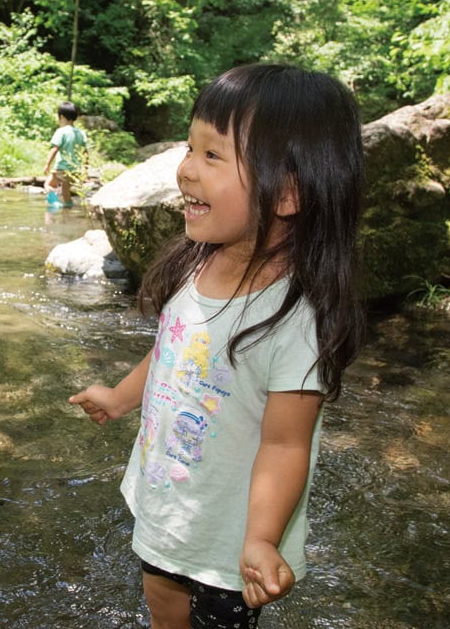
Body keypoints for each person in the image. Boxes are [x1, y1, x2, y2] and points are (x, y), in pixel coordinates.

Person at [69, 63, 365, 629]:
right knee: (160, 596)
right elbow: (175, 351)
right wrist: (120, 398)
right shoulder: (198, 263)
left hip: (228, 536)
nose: (185, 171)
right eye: (189, 148)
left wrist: (260, 540)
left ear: (288, 192)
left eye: (212, 156)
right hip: (168, 501)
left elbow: (285, 446)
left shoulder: (294, 319)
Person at [43, 100, 88, 208]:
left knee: (48, 185)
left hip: (62, 168)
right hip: (75, 169)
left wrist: (47, 164)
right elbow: (85, 152)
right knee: (66, 192)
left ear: (61, 116)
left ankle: (54, 204)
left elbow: (55, 149)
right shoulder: (81, 133)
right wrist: (85, 169)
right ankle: (67, 210)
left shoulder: (61, 131)